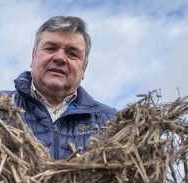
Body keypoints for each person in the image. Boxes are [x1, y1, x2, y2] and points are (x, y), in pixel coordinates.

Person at [11, 16, 116, 160]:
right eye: (50, 48)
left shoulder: (113, 123)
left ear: (84, 69)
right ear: (33, 57)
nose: (59, 58)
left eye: (72, 53)